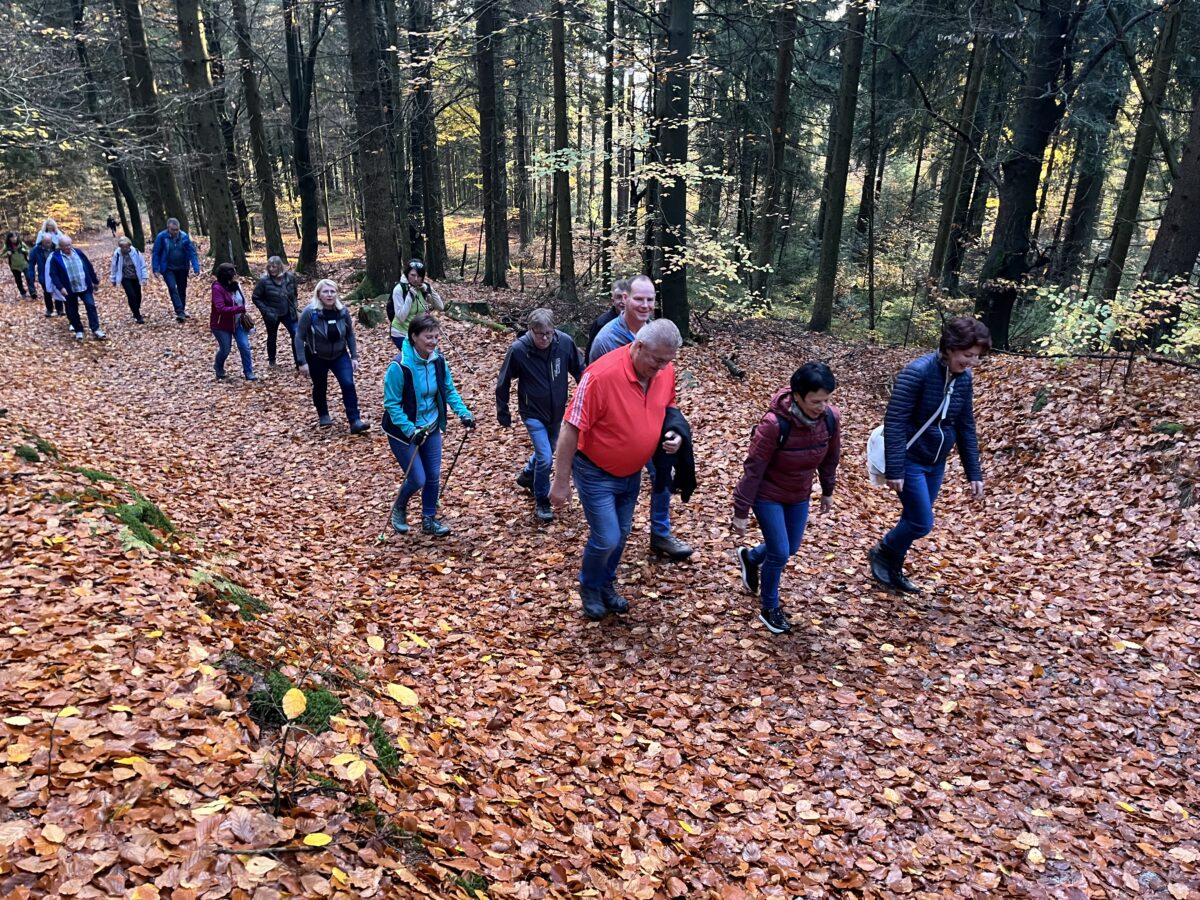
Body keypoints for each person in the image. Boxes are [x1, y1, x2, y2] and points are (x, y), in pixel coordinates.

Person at [550, 318, 685, 620]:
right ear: (638, 346)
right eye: (657, 360)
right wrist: (560, 482)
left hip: (631, 473)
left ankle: (606, 584)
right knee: (607, 536)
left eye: (668, 361)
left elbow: (669, 407)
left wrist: (674, 434)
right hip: (595, 471)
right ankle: (589, 586)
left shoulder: (664, 371)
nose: (662, 368)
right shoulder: (601, 375)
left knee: (621, 534)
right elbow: (571, 427)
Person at [868, 316, 990, 593]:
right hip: (910, 458)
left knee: (912, 518)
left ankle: (892, 568)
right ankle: (882, 552)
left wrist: (974, 472)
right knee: (921, 522)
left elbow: (965, 425)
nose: (972, 362)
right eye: (967, 355)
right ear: (949, 347)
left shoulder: (964, 379)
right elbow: (896, 420)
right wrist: (895, 468)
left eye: (977, 356)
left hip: (935, 462)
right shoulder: (918, 372)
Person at [587, 274, 693, 560]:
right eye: (639, 299)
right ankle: (607, 533)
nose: (644, 305)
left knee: (662, 472)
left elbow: (664, 387)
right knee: (617, 490)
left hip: (651, 422)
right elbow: (593, 386)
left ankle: (660, 533)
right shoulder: (607, 338)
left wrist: (672, 428)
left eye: (650, 299)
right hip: (617, 429)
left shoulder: (659, 335)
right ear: (624, 300)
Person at [732, 363, 842, 635]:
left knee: (790, 547)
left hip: (799, 493)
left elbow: (831, 458)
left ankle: (752, 557)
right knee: (780, 552)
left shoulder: (830, 419)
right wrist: (741, 510)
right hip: (767, 494)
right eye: (816, 401)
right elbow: (753, 467)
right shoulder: (773, 425)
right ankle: (770, 607)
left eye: (827, 399)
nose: (822, 406)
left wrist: (827, 490)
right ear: (797, 396)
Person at [382, 314, 475, 537]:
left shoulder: (438, 360)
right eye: (428, 337)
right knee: (417, 478)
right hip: (402, 431)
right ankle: (399, 506)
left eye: (435, 336)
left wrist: (464, 413)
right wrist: (410, 430)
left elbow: (448, 390)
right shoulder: (399, 365)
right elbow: (391, 404)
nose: (433, 342)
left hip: (431, 425)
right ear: (414, 337)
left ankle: (429, 519)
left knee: (433, 476)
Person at [496, 308, 583, 522]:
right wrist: (503, 410)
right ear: (530, 330)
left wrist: (589, 395)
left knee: (549, 449)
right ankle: (542, 501)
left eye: (548, 333)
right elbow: (503, 380)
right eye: (539, 333)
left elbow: (580, 370)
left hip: (557, 410)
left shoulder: (564, 343)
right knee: (545, 456)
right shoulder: (519, 350)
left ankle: (527, 474)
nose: (544, 338)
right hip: (532, 412)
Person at [295, 279, 369, 434]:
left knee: (348, 384)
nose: (329, 295)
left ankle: (355, 420)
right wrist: (302, 361)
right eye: (325, 292)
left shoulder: (343, 311)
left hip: (340, 355)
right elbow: (299, 336)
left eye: (332, 291)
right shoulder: (310, 312)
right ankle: (323, 414)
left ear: (337, 293)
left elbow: (350, 334)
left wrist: (354, 356)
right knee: (320, 386)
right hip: (316, 356)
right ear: (319, 294)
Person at [48, 236, 105, 341]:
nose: (68, 247)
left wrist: (95, 281)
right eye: (66, 246)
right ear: (60, 246)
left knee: (90, 305)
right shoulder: (55, 258)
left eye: (70, 244)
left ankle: (96, 329)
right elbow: (53, 274)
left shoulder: (78, 252)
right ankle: (79, 330)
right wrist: (61, 288)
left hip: (84, 285)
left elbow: (88, 266)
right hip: (69, 289)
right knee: (72, 310)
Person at [210, 262, 256, 381]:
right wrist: (241, 308)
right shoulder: (217, 288)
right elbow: (220, 309)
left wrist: (244, 310)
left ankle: (249, 372)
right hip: (221, 325)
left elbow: (242, 300)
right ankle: (218, 366)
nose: (237, 277)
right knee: (225, 349)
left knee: (244, 346)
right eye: (234, 274)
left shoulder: (236, 285)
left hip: (238, 322)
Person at [252, 256, 300, 368]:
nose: (272, 269)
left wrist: (294, 306)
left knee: (296, 334)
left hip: (288, 311)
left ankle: (299, 361)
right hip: (272, 314)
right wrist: (266, 311)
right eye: (269, 267)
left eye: (274, 266)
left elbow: (295, 294)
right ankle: (272, 361)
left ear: (280, 266)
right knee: (272, 336)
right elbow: (256, 297)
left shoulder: (290, 277)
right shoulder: (264, 281)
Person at [387, 259, 444, 350]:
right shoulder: (399, 289)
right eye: (412, 275)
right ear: (407, 274)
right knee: (413, 356)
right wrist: (410, 296)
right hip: (400, 332)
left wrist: (428, 290)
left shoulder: (423, 287)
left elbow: (440, 307)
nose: (416, 279)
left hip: (418, 332)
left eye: (419, 276)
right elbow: (401, 317)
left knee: (429, 355)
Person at [151, 218, 201, 322]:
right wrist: (156, 268)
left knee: (182, 289)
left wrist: (196, 267)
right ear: (168, 228)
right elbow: (156, 253)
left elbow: (192, 252)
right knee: (172, 287)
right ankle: (179, 312)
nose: (175, 232)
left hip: (182, 267)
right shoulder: (161, 237)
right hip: (168, 268)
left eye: (177, 229)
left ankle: (181, 309)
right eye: (173, 230)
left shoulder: (184, 237)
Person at [585, 278, 628, 362]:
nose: (623, 301)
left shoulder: (639, 322)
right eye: (619, 297)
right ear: (613, 300)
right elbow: (590, 354)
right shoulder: (602, 322)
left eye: (626, 297)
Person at [109, 237, 148, 323]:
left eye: (126, 247)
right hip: (125, 278)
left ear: (129, 246)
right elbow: (114, 267)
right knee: (131, 295)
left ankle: (135, 310)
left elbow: (142, 265)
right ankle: (138, 315)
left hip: (135, 276)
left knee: (138, 295)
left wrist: (144, 277)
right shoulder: (117, 254)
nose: (125, 249)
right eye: (123, 247)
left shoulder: (136, 252)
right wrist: (113, 279)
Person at [27, 234, 64, 318]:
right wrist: (31, 277)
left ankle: (60, 309)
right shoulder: (35, 250)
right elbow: (31, 264)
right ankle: (49, 309)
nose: (48, 244)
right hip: (43, 275)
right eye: (46, 242)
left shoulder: (56, 248)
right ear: (42, 241)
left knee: (58, 290)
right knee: (47, 292)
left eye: (49, 242)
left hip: (56, 274)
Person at [3, 232, 32, 298]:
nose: (14, 239)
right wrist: (7, 253)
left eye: (15, 237)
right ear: (9, 238)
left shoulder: (21, 243)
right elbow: (1, 255)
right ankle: (22, 292)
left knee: (29, 277)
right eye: (12, 237)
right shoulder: (7, 246)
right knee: (18, 280)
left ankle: (32, 292)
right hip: (14, 266)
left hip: (24, 264)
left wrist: (24, 250)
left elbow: (28, 250)